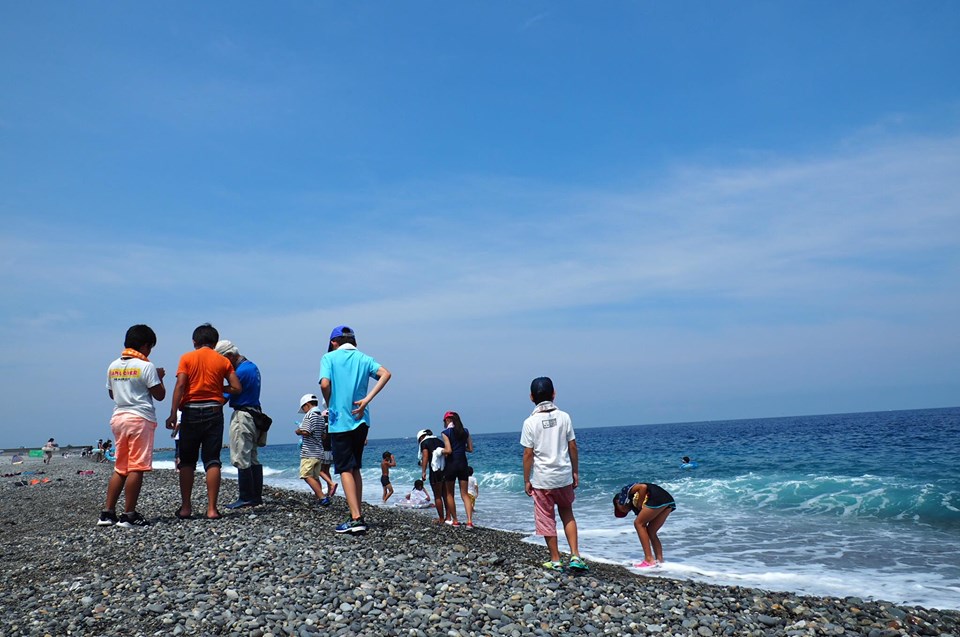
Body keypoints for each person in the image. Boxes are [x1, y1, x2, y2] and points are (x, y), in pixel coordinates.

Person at [319, 325, 391, 534]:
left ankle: (356, 517)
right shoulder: (364, 358)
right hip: (361, 418)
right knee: (355, 467)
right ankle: (356, 512)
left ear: (334, 342)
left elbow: (325, 384)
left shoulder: (329, 358)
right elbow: (386, 374)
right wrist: (367, 399)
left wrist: (329, 402)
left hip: (339, 420)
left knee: (344, 468)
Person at [166, 323, 241, 520]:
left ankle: (185, 508)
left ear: (194, 342)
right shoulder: (222, 360)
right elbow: (236, 387)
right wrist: (219, 388)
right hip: (214, 412)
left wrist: (173, 413)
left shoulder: (187, 358)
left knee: (187, 461)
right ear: (215, 343)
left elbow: (181, 385)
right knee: (212, 460)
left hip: (190, 412)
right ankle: (212, 509)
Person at [99, 324, 166, 528]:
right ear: (145, 346)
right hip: (139, 418)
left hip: (119, 417)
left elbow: (112, 394)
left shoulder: (113, 365)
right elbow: (160, 395)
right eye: (150, 347)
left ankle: (107, 513)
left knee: (121, 466)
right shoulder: (146, 366)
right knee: (137, 466)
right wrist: (159, 377)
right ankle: (129, 515)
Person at [521, 376, 588, 572]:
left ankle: (556, 559)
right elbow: (573, 446)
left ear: (531, 397)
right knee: (567, 513)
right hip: (563, 475)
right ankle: (575, 555)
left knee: (546, 517)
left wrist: (527, 479)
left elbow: (528, 454)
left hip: (543, 478)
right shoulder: (564, 417)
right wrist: (575, 471)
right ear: (554, 394)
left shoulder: (530, 422)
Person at [214, 340, 266, 509]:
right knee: (252, 457)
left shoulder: (240, 372)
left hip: (243, 414)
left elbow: (224, 397)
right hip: (255, 413)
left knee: (240, 455)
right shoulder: (252, 367)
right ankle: (256, 496)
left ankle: (245, 497)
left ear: (229, 356)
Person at [613, 482, 676, 568]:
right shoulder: (633, 505)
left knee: (638, 523)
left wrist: (639, 503)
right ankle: (659, 561)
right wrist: (639, 505)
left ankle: (649, 559)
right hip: (667, 500)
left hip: (657, 497)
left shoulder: (625, 491)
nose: (622, 509)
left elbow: (643, 487)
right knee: (651, 531)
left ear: (618, 501)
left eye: (619, 506)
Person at [296, 394, 335, 506]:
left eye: (303, 408)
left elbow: (306, 432)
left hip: (309, 452)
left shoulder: (309, 416)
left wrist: (298, 431)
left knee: (306, 475)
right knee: (315, 476)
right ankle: (319, 497)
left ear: (307, 405)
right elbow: (323, 435)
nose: (303, 411)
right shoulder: (320, 417)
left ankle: (322, 497)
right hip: (319, 452)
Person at [440, 411, 474, 528]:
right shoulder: (465, 431)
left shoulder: (446, 433)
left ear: (448, 420)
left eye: (444, 421)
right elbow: (470, 449)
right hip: (463, 464)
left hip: (451, 464)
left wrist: (440, 451)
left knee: (450, 494)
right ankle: (469, 521)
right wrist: (460, 447)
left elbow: (448, 450)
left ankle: (455, 520)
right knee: (464, 494)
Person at [417, 429, 447, 524]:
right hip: (445, 469)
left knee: (437, 496)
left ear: (422, 437)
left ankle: (441, 519)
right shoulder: (440, 441)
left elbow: (425, 457)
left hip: (435, 471)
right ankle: (449, 517)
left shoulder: (424, 442)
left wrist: (423, 471)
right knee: (446, 495)